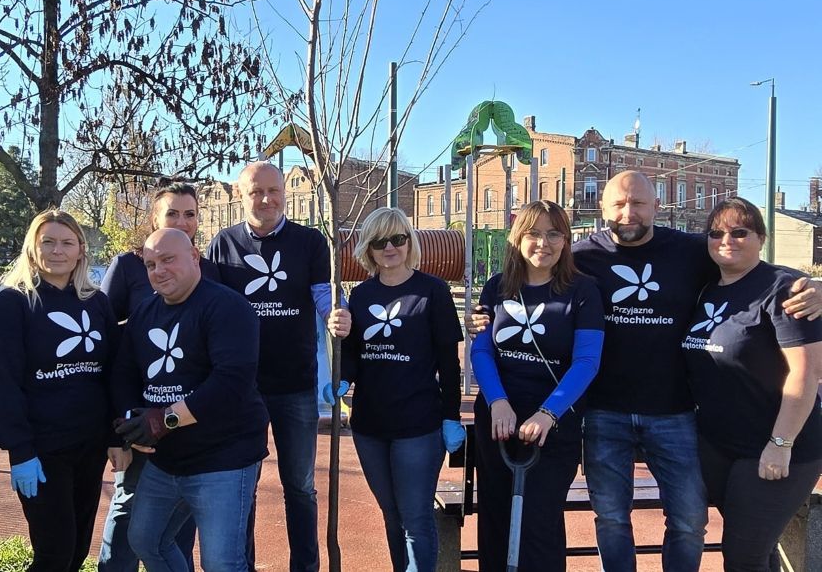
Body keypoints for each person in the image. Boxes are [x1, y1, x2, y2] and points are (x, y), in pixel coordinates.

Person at [465, 171, 820, 571]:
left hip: (674, 411)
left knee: (689, 521)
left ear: (656, 206)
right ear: (603, 210)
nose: (628, 212)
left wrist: (811, 284)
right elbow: (518, 298)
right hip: (604, 413)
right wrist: (484, 321)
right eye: (618, 204)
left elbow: (745, 260)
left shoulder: (690, 249)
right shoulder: (580, 258)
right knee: (612, 520)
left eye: (637, 203)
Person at [207, 160, 351, 572]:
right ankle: (242, 565)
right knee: (242, 487)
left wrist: (336, 315)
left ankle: (305, 567)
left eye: (274, 190)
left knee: (301, 487)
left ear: (284, 193)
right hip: (240, 389)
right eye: (256, 191)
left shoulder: (310, 243)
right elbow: (213, 312)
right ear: (241, 195)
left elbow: (324, 296)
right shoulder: (223, 244)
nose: (266, 199)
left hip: (295, 385)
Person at [111, 228, 268, 572]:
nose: (159, 270)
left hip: (224, 457)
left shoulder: (227, 306)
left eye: (168, 259)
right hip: (167, 459)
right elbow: (123, 371)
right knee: (146, 540)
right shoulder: (144, 313)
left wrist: (163, 419)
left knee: (221, 563)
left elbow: (231, 383)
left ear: (195, 257)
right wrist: (128, 423)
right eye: (151, 264)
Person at [682, 197, 822, 570]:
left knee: (743, 553)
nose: (726, 239)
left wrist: (781, 443)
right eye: (716, 233)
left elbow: (805, 373)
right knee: (754, 550)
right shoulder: (707, 288)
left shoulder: (784, 290)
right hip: (720, 445)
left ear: (761, 237)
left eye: (739, 231)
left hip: (775, 447)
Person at [0, 210, 120, 572]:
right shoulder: (12, 303)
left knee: (75, 552)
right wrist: (20, 451)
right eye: (48, 242)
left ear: (80, 251)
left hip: (89, 447)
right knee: (54, 555)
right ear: (33, 248)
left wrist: (114, 436)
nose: (57, 250)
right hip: (42, 453)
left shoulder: (96, 301)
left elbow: (112, 374)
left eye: (67, 242)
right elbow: (3, 381)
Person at [470, 201, 604, 571]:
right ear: (518, 238)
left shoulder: (583, 291)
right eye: (533, 233)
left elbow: (587, 362)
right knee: (495, 519)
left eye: (553, 233)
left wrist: (548, 413)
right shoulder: (497, 287)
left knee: (539, 524)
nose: (543, 242)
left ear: (564, 240)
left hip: (551, 425)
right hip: (499, 421)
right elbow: (481, 351)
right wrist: (497, 401)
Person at [333, 207, 463, 572]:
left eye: (398, 238)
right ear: (368, 249)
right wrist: (343, 377)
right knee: (391, 514)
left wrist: (451, 417)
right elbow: (355, 354)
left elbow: (449, 364)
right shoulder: (359, 296)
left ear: (409, 241)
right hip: (370, 424)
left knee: (415, 516)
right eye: (379, 241)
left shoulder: (432, 292)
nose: (389, 247)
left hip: (418, 424)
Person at [98, 180, 219, 572]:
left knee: (177, 525)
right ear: (154, 218)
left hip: (192, 422)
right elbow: (107, 344)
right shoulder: (128, 266)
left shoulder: (209, 270)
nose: (182, 222)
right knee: (128, 510)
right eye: (172, 213)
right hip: (141, 422)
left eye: (190, 214)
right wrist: (122, 427)